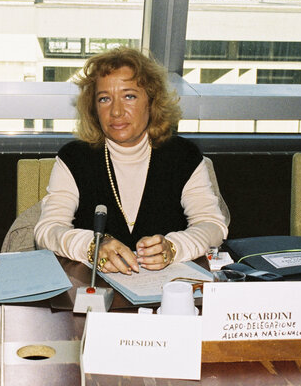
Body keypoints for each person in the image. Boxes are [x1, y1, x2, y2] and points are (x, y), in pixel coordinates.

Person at [34, 47, 228, 274]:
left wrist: (174, 248)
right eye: (104, 99)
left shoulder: (182, 155)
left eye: (129, 96)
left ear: (151, 102)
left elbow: (213, 225)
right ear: (94, 108)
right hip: (93, 291)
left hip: (167, 294)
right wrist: (92, 246)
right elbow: (47, 230)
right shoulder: (75, 158)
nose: (116, 111)